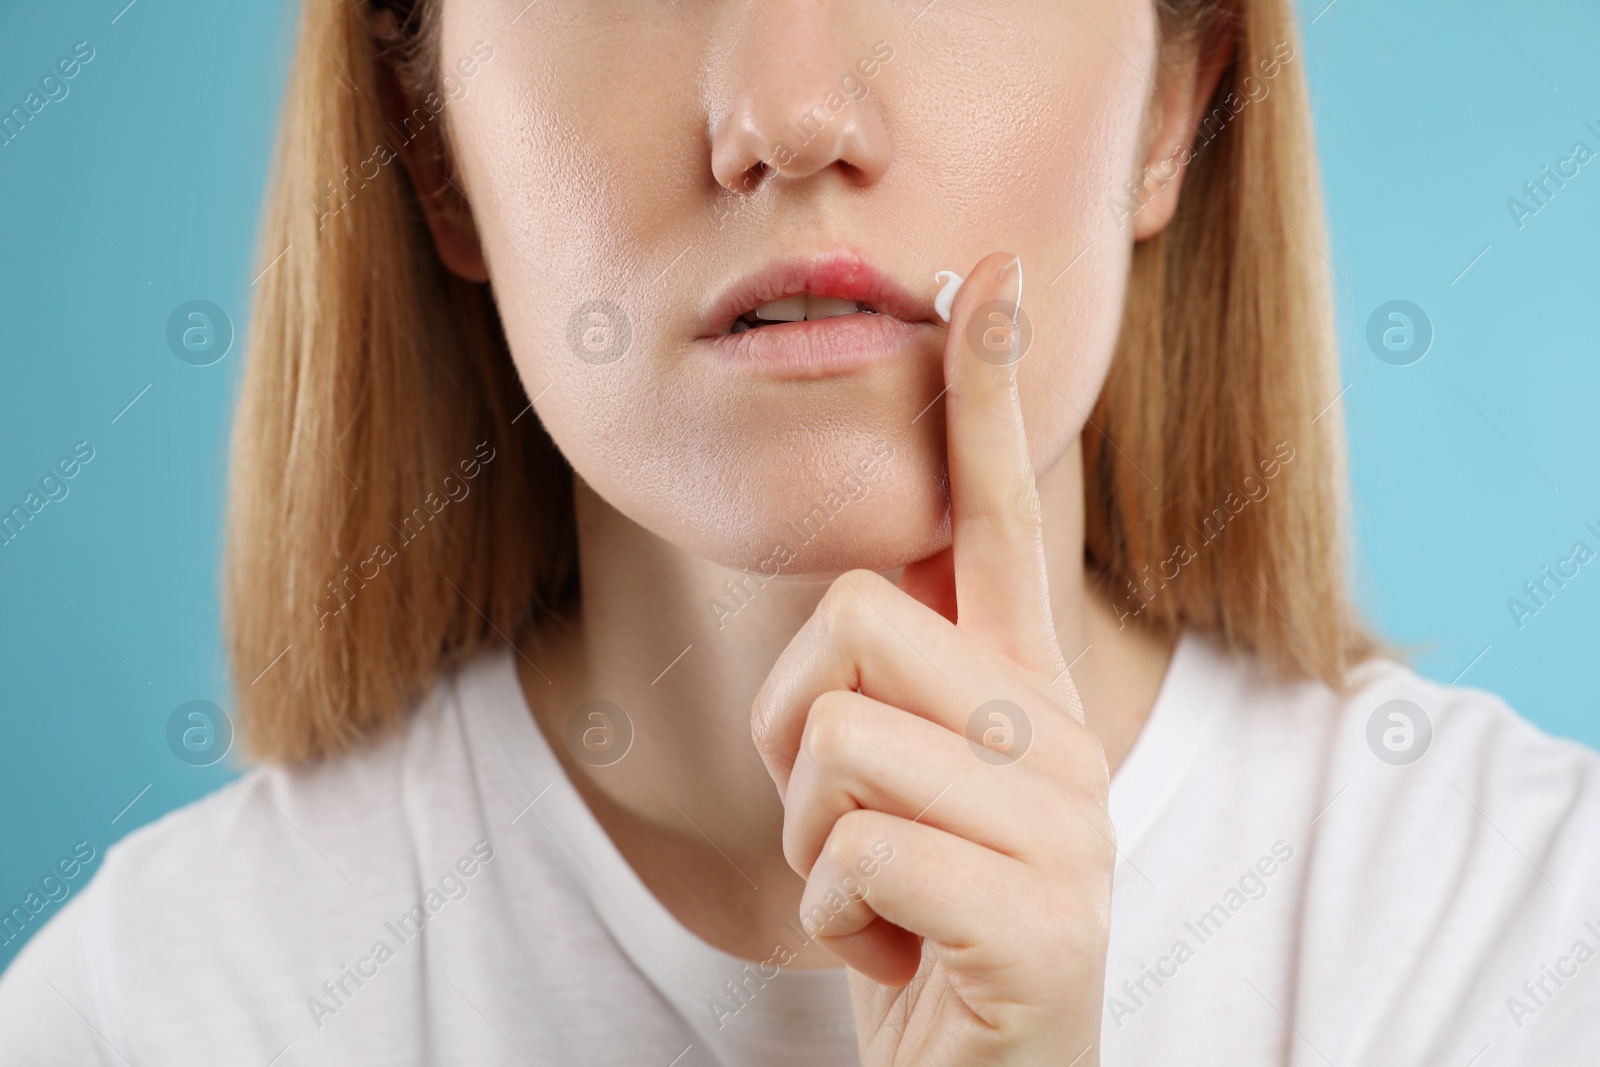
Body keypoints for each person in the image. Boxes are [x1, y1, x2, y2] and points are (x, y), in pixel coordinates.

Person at [3, 0, 1596, 1064]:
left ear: (1176, 101)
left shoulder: (1527, 938)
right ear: (431, 153)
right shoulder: (153, 1013)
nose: (789, 115)